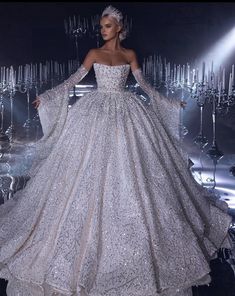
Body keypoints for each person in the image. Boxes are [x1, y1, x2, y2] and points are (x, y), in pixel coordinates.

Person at [0, 5, 232, 296]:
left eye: (107, 26)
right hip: (95, 112)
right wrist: (47, 96)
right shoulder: (94, 54)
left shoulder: (130, 55)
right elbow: (72, 81)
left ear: (119, 28)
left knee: (134, 168)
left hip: (127, 110)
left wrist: (169, 103)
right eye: (101, 27)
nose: (102, 31)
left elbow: (145, 86)